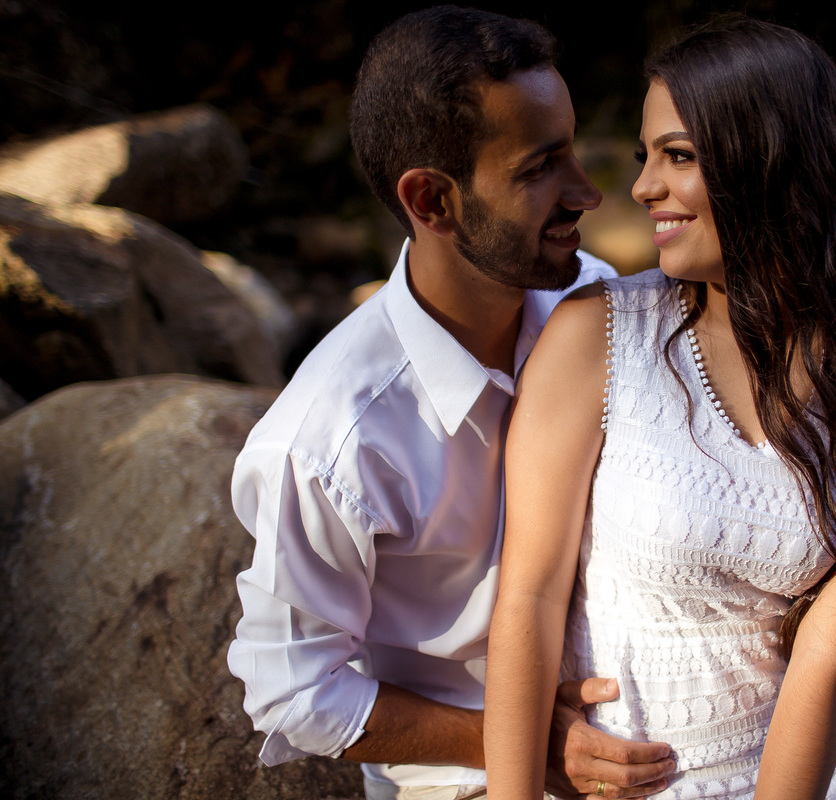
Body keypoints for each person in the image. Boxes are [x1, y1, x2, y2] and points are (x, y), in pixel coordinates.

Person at [484, 16, 836, 800]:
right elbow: (528, 598)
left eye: (679, 156)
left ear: (770, 162)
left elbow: (826, 654)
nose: (641, 188)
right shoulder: (597, 337)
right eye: (647, 158)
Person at [226, 7, 675, 800]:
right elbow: (293, 690)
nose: (588, 193)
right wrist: (521, 740)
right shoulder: (330, 441)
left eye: (574, 151)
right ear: (432, 201)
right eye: (541, 169)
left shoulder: (600, 299)